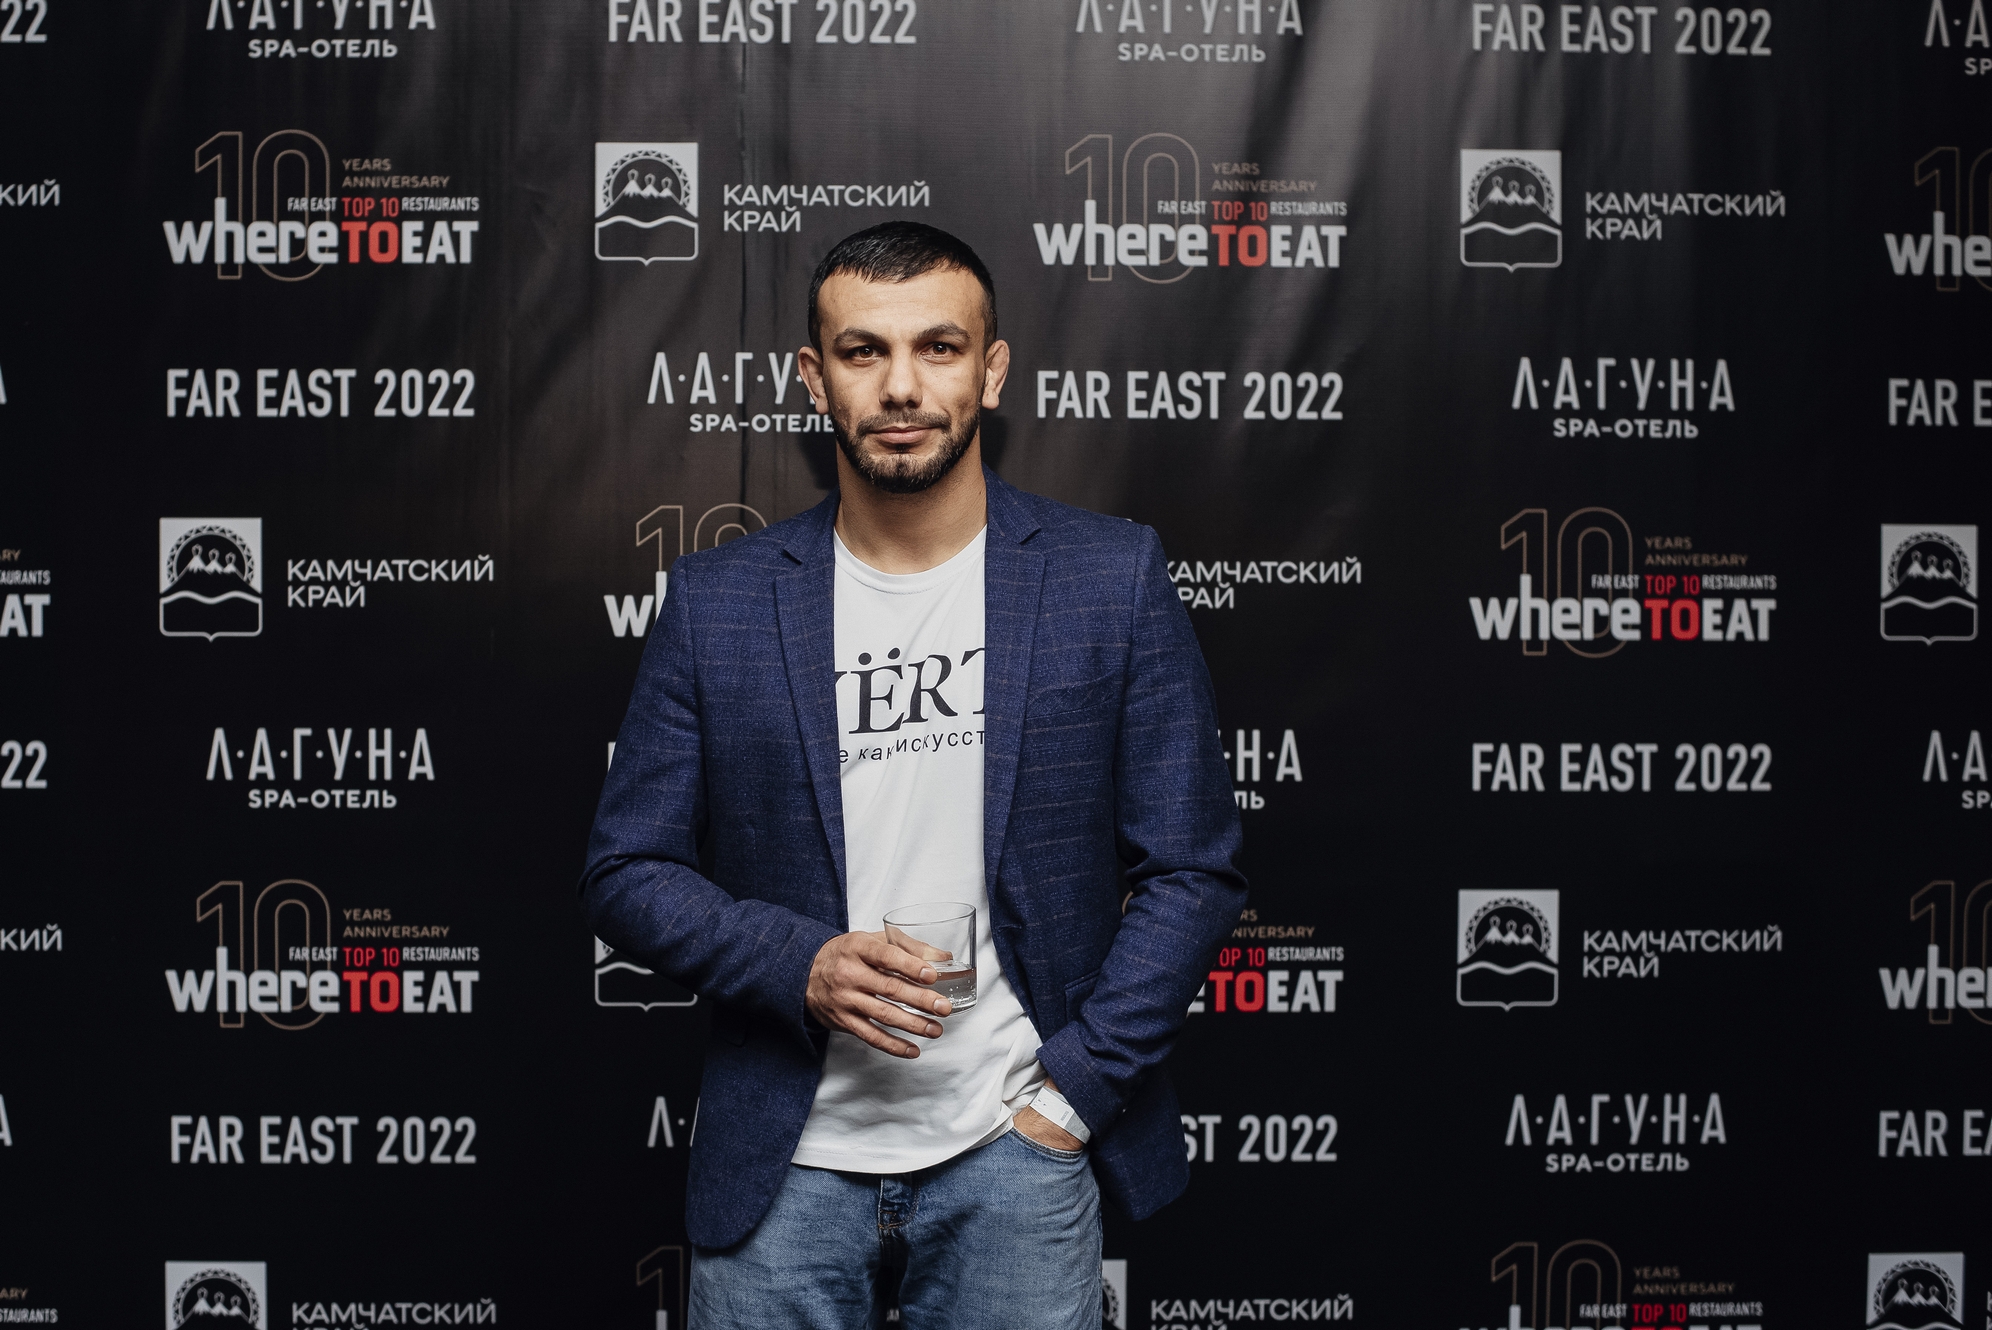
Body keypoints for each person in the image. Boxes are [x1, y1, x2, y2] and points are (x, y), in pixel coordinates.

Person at [581, 221, 1245, 1329]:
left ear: (992, 370)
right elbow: (625, 870)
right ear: (814, 378)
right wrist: (801, 962)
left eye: (939, 347)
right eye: (863, 351)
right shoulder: (717, 602)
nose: (901, 386)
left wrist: (1075, 1093)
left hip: (1014, 1153)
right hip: (785, 1162)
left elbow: (1194, 868)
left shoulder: (1109, 577)